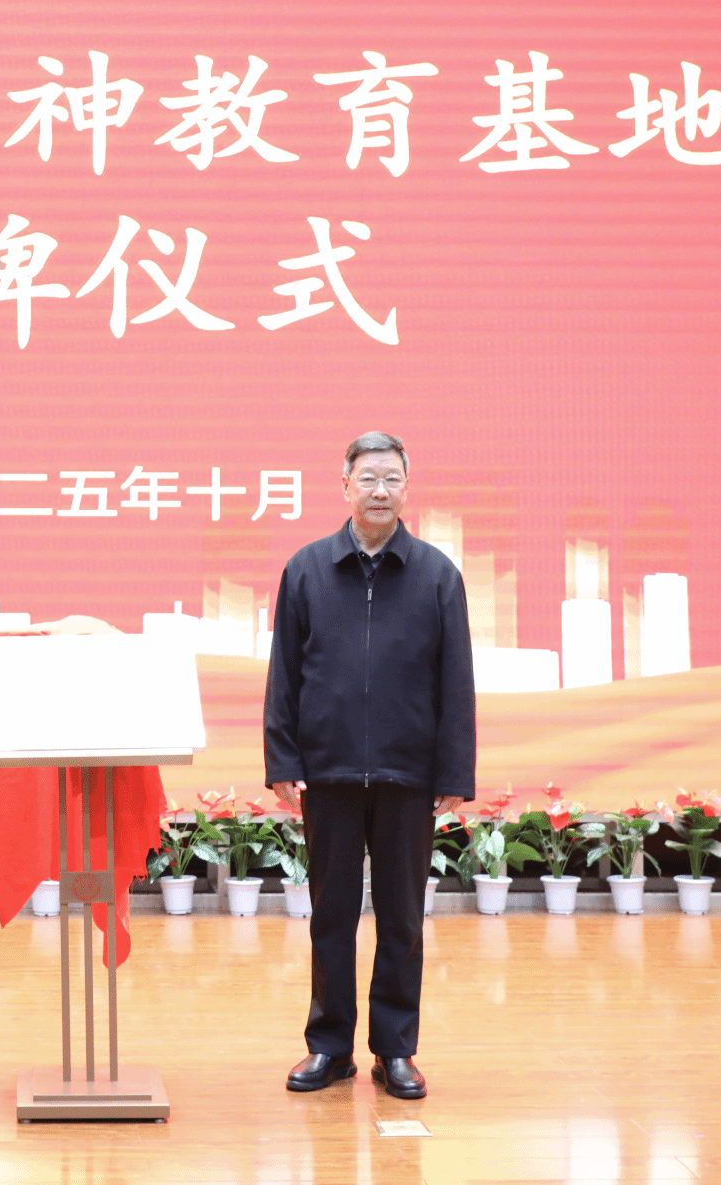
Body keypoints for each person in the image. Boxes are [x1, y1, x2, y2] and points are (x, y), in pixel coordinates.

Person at [262, 431, 476, 1101]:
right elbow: (284, 675)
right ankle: (329, 1046)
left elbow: (456, 681)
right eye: (368, 478)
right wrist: (282, 759)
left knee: (402, 919)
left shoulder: (438, 574)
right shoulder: (306, 569)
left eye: (391, 479)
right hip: (327, 774)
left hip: (408, 777)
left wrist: (453, 772)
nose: (379, 491)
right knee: (330, 915)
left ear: (406, 488)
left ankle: (395, 1049)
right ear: (345, 485)